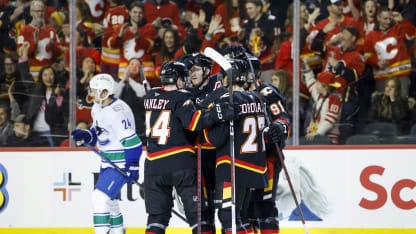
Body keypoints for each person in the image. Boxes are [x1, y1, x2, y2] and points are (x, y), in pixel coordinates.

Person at [143, 61, 234, 234]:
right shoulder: (181, 96)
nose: (186, 82)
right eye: (184, 78)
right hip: (181, 163)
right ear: (178, 80)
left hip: (153, 166)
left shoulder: (150, 96)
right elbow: (194, 122)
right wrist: (217, 113)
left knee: (156, 219)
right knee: (199, 217)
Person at [71, 73, 142, 234]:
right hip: (108, 161)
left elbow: (133, 142)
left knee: (99, 199)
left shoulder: (116, 113)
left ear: (104, 93)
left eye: (94, 91)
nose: (91, 94)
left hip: (119, 163)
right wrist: (86, 135)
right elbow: (100, 131)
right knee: (110, 203)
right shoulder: (98, 107)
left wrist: (133, 167)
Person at [363, 7, 415, 97]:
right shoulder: (370, 35)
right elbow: (367, 56)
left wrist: (403, 20)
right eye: (385, 19)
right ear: (378, 18)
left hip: (401, 74)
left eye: (390, 18)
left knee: (401, 106)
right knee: (383, 107)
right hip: (382, 77)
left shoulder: (399, 28)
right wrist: (376, 62)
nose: (388, 21)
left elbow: (412, 35)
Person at [16, 0, 62, 81]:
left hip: (49, 75)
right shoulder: (24, 30)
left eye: (42, 11)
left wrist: (52, 47)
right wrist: (34, 43)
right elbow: (20, 52)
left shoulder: (51, 30)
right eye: (37, 11)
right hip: (31, 74)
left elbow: (59, 53)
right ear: (31, 13)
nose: (40, 14)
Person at [303, 67, 342, 144]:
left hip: (328, 139)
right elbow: (310, 83)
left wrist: (318, 133)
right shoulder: (319, 96)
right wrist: (307, 70)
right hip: (314, 137)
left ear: (325, 87)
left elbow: (330, 121)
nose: (315, 85)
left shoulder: (334, 99)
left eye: (318, 84)